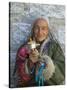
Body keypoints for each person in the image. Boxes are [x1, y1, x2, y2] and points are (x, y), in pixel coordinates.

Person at [14, 18, 65, 87]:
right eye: (37, 28)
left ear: (48, 31)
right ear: (33, 30)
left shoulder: (54, 47)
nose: (40, 32)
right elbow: (19, 76)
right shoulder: (24, 48)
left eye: (43, 28)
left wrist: (42, 62)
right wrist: (30, 63)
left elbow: (62, 70)